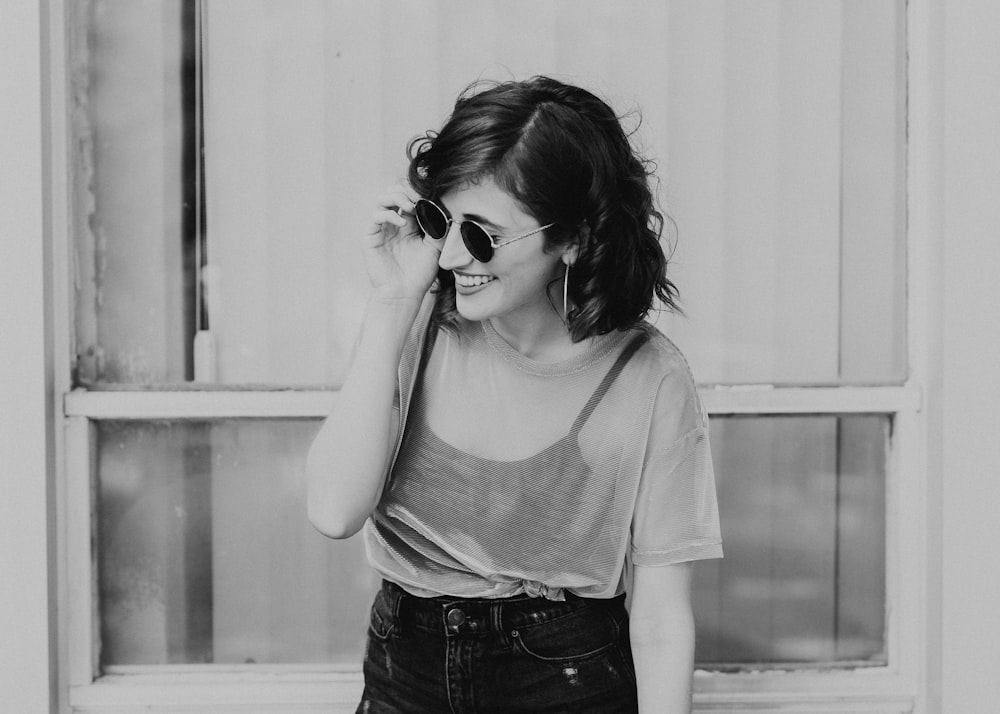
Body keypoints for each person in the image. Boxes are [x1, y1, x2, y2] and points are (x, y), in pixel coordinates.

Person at [307, 75, 722, 714]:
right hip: (405, 667)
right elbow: (334, 511)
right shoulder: (416, 324)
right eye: (440, 220)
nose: (448, 257)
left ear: (573, 239)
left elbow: (663, 620)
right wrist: (392, 305)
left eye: (482, 235)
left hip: (564, 676)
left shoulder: (648, 376)